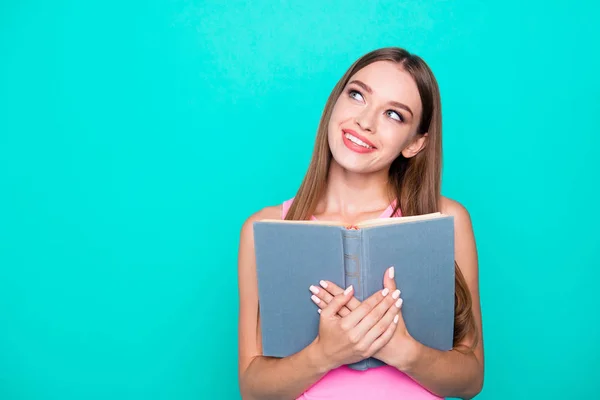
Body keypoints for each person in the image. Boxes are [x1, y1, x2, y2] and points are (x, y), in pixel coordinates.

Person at [237, 47, 484, 399]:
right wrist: (326, 354)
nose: (365, 122)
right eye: (357, 95)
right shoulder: (264, 228)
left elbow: (471, 379)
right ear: (335, 102)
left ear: (415, 143)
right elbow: (253, 387)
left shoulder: (448, 220)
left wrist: (402, 350)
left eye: (394, 115)